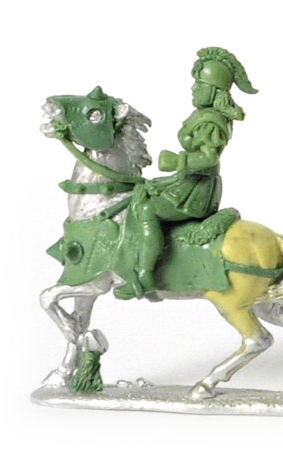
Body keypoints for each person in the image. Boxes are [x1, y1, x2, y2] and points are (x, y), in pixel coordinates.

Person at [115, 47, 258, 300]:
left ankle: (146, 275)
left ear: (214, 90)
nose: (193, 89)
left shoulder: (210, 121)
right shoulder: (204, 115)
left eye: (199, 84)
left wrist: (177, 160)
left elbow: (209, 158)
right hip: (187, 183)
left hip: (195, 190)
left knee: (146, 209)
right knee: (141, 192)